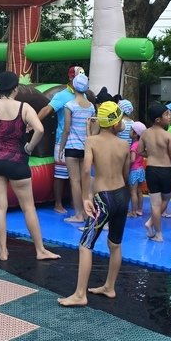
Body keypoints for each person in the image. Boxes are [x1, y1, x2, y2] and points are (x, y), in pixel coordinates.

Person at [0, 71, 60, 262]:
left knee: (0, 207)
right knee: (28, 207)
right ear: (16, 88)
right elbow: (40, 129)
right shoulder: (24, 108)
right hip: (17, 161)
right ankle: (40, 250)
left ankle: (3, 251)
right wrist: (29, 147)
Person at [57, 101, 130, 307]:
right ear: (115, 123)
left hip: (103, 198)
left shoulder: (91, 141)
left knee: (85, 245)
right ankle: (109, 286)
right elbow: (125, 174)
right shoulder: (124, 145)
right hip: (122, 196)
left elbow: (87, 170)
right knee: (115, 244)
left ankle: (80, 294)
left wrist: (87, 198)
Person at [38, 65, 84, 214]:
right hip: (63, 140)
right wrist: (33, 123)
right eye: (78, 77)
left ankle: (73, 200)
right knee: (61, 173)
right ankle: (58, 203)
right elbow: (48, 109)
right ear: (70, 78)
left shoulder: (85, 96)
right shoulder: (62, 95)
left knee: (77, 175)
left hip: (80, 141)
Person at [58, 73, 96, 223]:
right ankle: (87, 214)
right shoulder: (91, 107)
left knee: (74, 181)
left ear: (73, 86)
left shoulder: (70, 105)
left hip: (72, 146)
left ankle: (79, 214)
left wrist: (61, 147)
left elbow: (66, 129)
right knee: (85, 181)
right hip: (86, 148)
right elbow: (92, 129)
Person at [139, 103, 171, 242]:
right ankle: (151, 223)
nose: (169, 117)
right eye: (167, 115)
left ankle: (158, 233)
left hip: (151, 169)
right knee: (166, 199)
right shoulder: (167, 135)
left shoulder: (145, 133)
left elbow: (139, 151)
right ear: (158, 119)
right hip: (166, 170)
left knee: (154, 204)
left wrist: (150, 154)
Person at [127, 121, 147, 218]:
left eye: (131, 130)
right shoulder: (141, 144)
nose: (129, 131)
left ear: (135, 133)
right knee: (139, 191)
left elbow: (132, 159)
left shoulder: (134, 145)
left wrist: (126, 163)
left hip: (134, 171)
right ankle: (140, 210)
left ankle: (133, 211)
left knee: (133, 192)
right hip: (141, 170)